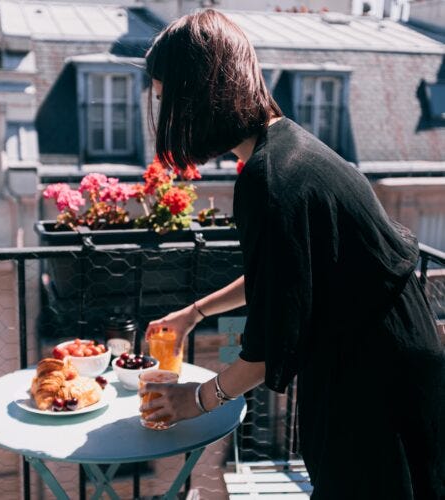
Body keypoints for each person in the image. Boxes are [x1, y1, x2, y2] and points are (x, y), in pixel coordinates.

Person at [138, 9, 445, 500]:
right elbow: (287, 274)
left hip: (373, 379)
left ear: (194, 96)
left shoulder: (269, 179)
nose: (164, 114)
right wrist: (194, 313)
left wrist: (194, 400)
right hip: (393, 355)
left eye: (165, 98)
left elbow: (267, 347)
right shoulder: (287, 146)